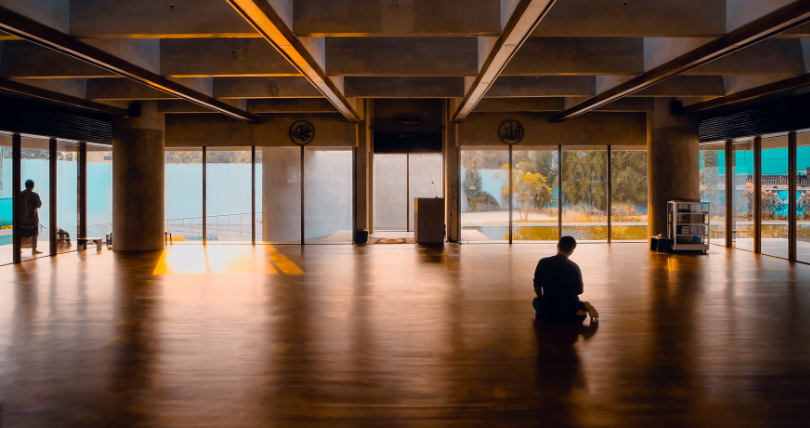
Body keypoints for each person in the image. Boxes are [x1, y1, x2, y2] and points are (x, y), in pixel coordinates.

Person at [532, 236, 598, 323]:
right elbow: (579, 290)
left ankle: (561, 312)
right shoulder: (574, 267)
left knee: (535, 301)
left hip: (550, 304)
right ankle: (579, 307)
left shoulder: (543, 262)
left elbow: (537, 287)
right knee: (571, 303)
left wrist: (542, 298)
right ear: (572, 251)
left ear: (558, 246)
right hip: (570, 305)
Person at [20, 179, 43, 255]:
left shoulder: (20, 194)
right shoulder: (34, 195)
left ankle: (18, 249)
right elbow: (39, 205)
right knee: (34, 234)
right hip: (32, 219)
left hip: (22, 219)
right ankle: (34, 250)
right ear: (33, 186)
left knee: (21, 234)